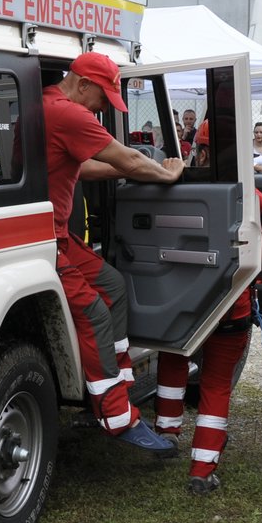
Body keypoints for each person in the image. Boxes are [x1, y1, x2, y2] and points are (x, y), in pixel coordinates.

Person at [46, 52, 185, 454]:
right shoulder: (69, 113)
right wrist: (167, 172)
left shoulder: (52, 105)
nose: (104, 108)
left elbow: (84, 168)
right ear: (83, 84)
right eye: (104, 98)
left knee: (113, 284)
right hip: (44, 237)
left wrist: (130, 169)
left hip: (58, 234)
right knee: (92, 310)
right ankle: (114, 415)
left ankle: (119, 381)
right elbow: (127, 157)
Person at [152, 185, 262, 495]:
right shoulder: (257, 199)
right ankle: (202, 471)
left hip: (183, 301)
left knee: (173, 358)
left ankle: (165, 437)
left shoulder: (177, 191)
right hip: (232, 306)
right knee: (217, 384)